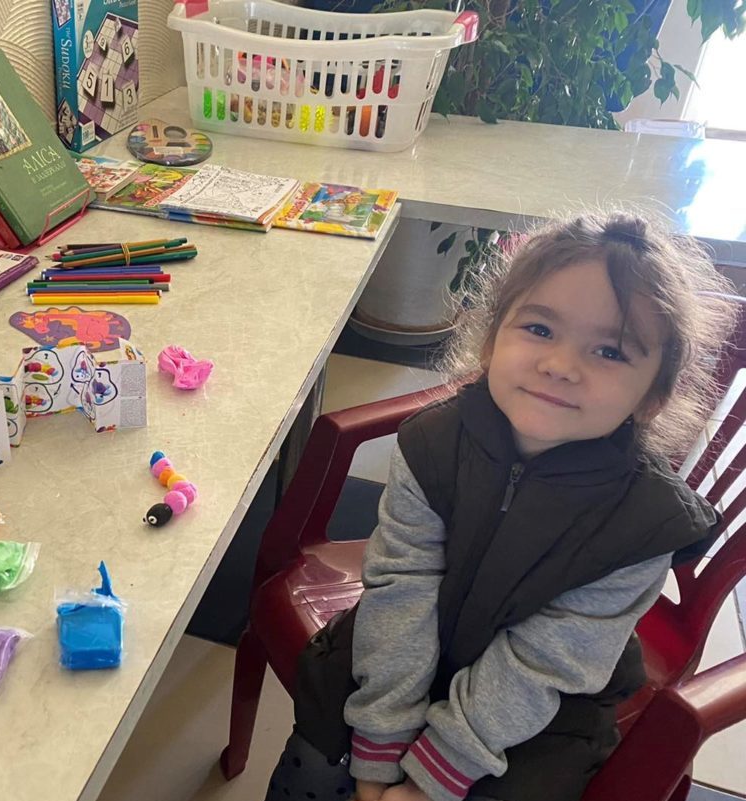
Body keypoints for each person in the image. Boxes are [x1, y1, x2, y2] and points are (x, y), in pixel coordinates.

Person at [265, 212, 738, 801]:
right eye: (540, 329)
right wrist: (379, 751)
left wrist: (428, 780)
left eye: (610, 352)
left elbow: (545, 661)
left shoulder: (643, 525)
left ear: (653, 397)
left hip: (533, 713)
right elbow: (403, 587)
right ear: (492, 341)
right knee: (321, 743)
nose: (561, 365)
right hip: (400, 656)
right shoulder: (433, 444)